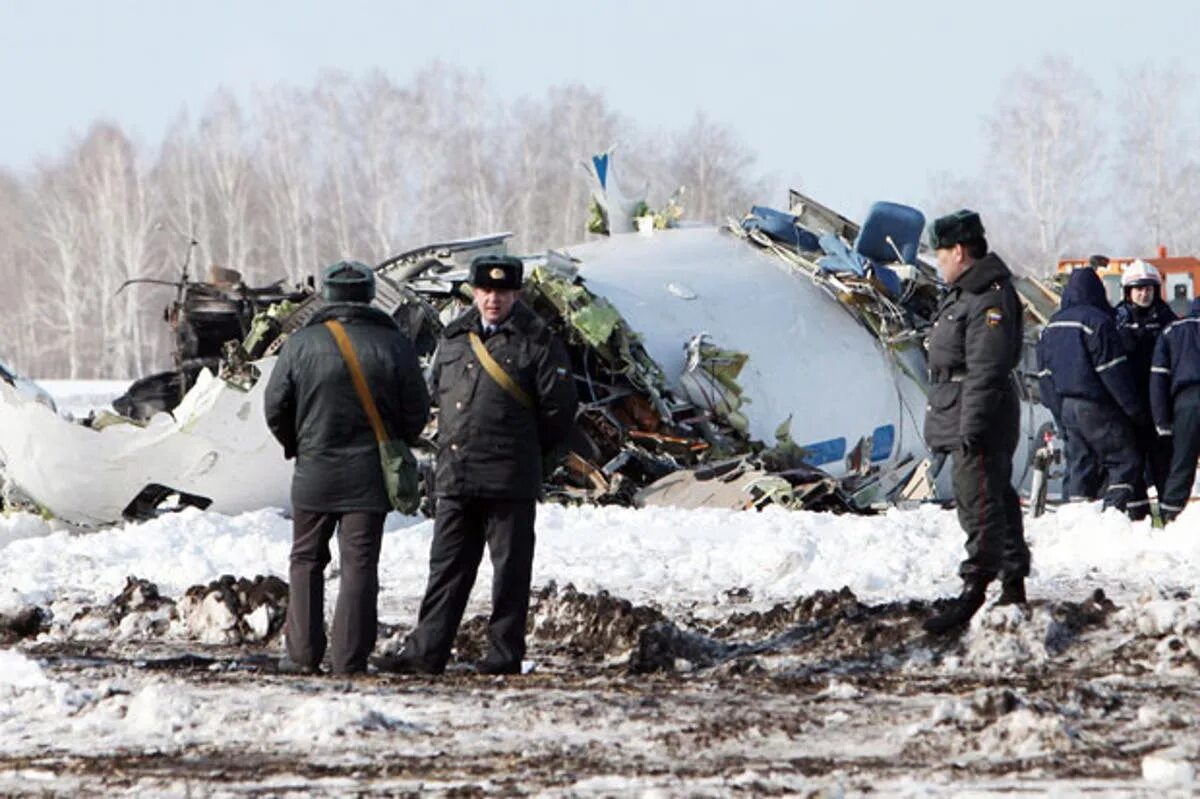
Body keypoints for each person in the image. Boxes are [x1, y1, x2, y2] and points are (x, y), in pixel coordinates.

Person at [385, 254, 578, 675]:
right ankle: (426, 653)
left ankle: (504, 656)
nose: (493, 300)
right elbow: (437, 392)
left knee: (509, 573)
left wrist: (523, 454)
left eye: (502, 292)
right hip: (456, 475)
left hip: (510, 479)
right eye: (486, 292)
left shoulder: (538, 341)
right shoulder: (455, 337)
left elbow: (559, 412)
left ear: (516, 294)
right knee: (447, 569)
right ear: (473, 293)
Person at [264, 261, 430, 675]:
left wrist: (298, 445)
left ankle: (301, 655)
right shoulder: (396, 345)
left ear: (328, 295)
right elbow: (417, 412)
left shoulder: (301, 344)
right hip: (369, 472)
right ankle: (349, 659)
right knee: (359, 563)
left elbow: (274, 407)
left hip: (314, 469)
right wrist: (395, 442)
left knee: (305, 559)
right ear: (370, 295)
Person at [921, 210, 1030, 635]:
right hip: (961, 407)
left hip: (976, 412)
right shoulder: (964, 293)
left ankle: (974, 588)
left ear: (960, 251)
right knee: (995, 497)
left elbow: (986, 366)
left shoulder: (988, 296)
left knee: (978, 502)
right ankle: (1012, 581)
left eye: (941, 253)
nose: (938, 261)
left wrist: (974, 424)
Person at [1036, 267, 1146, 515]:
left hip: (1065, 407)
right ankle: (1111, 516)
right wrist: (1135, 411)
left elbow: (1044, 377)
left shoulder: (1051, 326)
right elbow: (1113, 372)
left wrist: (1059, 415)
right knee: (1124, 461)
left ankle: (1076, 518)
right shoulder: (1097, 322)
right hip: (1096, 406)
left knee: (1080, 465)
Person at [1114, 260, 1176, 519]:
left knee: (1164, 464)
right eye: (1138, 289)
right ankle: (1136, 520)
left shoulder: (1167, 320)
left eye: (1149, 288)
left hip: (1160, 406)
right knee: (1133, 465)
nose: (1144, 294)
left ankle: (1170, 518)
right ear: (1128, 292)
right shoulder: (1115, 322)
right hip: (1130, 406)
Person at [1150, 297, 1200, 523]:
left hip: (1186, 401)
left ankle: (1171, 515)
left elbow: (1159, 378)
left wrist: (1161, 419)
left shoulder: (1171, 331)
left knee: (1182, 461)